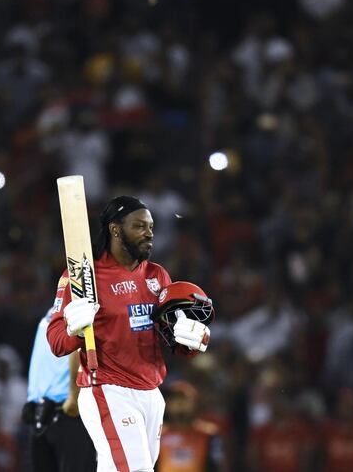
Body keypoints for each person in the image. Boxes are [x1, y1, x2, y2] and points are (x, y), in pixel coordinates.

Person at [47, 196, 213, 472]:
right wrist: (73, 329)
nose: (149, 233)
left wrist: (191, 340)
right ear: (115, 229)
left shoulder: (158, 275)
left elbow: (171, 340)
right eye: (139, 226)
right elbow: (56, 341)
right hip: (108, 390)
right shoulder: (83, 277)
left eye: (151, 227)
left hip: (151, 392)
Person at [23, 306, 96, 472]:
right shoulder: (55, 308)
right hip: (41, 412)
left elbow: (79, 346)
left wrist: (75, 397)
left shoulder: (81, 303)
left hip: (68, 410)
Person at [157, 380, 225, 472]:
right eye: (174, 399)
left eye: (184, 399)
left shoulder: (207, 434)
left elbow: (217, 465)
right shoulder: (158, 434)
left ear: (195, 403)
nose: (179, 403)